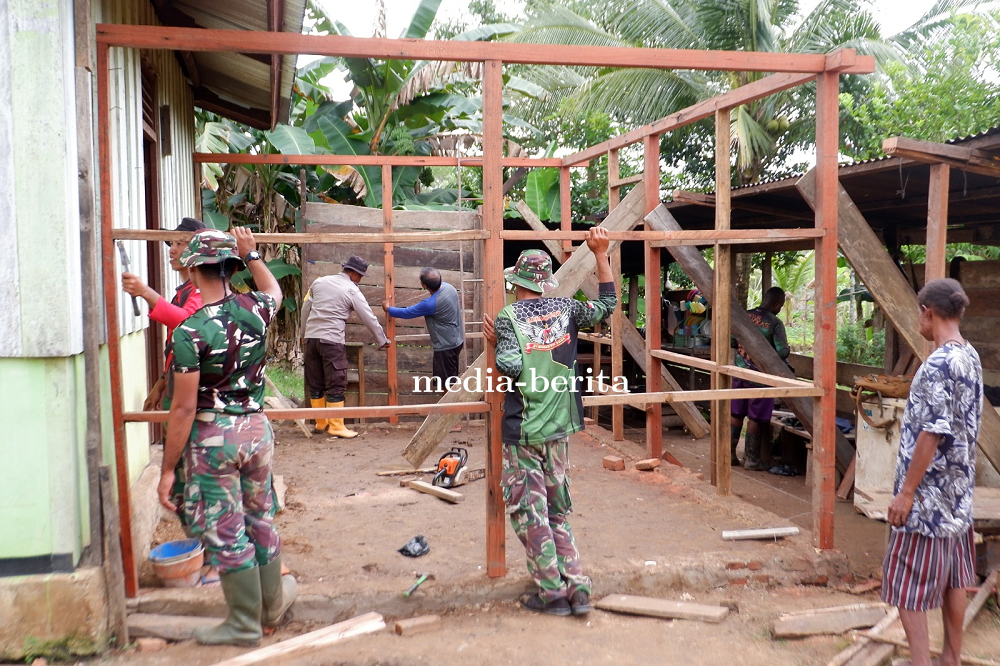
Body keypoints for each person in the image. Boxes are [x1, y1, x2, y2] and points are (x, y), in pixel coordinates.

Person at [157, 228, 295, 646]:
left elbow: (183, 408)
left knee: (227, 528)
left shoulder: (190, 331)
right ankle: (272, 609)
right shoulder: (256, 309)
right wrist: (252, 254)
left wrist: (167, 468)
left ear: (194, 268)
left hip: (216, 437)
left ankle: (243, 624)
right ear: (231, 268)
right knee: (259, 517)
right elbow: (274, 289)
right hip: (257, 430)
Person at [483, 229, 617, 618]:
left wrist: (498, 345)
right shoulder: (568, 309)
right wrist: (601, 254)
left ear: (515, 282)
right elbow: (606, 305)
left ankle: (551, 594)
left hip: (524, 430)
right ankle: (577, 589)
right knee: (557, 512)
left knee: (530, 513)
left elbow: (510, 367)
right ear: (544, 283)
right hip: (560, 428)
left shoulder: (509, 318)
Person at [882, 278, 981, 666]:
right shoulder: (968, 355)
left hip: (927, 499)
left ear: (929, 312)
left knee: (907, 583)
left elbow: (933, 431)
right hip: (958, 494)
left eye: (919, 313)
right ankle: (951, 658)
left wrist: (906, 492)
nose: (918, 320)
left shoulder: (938, 364)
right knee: (955, 577)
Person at [121, 216, 206, 410]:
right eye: (172, 243)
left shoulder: (201, 289)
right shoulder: (185, 290)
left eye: (180, 244)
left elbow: (185, 322)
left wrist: (145, 292)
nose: (172, 249)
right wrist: (161, 383)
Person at [302, 255, 389, 438]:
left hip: (311, 339)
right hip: (331, 341)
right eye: (361, 276)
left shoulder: (318, 282)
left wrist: (304, 334)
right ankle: (336, 426)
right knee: (336, 382)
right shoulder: (351, 290)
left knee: (315, 382)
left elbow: (305, 309)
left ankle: (320, 423)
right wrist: (382, 339)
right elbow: (368, 317)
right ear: (356, 274)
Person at [730, 286, 789, 471]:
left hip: (740, 372)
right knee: (755, 418)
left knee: (736, 414)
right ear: (777, 303)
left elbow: (733, 341)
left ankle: (729, 454)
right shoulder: (775, 323)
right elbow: (782, 351)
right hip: (760, 377)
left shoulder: (744, 316)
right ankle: (751, 460)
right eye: (781, 306)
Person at [382, 267, 465, 391]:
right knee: (449, 380)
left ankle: (451, 409)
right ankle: (451, 407)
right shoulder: (450, 288)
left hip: (445, 348)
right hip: (457, 340)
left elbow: (407, 312)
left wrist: (388, 308)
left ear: (424, 285)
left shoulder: (431, 304)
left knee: (447, 386)